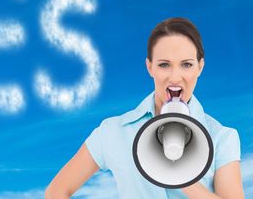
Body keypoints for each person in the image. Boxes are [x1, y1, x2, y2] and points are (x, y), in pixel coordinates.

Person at [45, 17, 244, 199]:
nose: (175, 77)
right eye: (164, 65)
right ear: (150, 67)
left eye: (187, 65)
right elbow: (57, 191)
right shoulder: (113, 131)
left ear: (200, 67)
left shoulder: (222, 138)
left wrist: (181, 177)